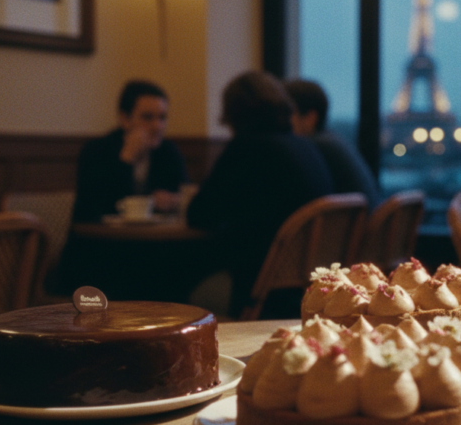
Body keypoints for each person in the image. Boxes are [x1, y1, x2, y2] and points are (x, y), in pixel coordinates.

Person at [187, 71, 334, 317]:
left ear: (232, 113)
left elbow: (199, 215)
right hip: (305, 290)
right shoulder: (305, 147)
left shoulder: (245, 149)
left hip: (259, 293)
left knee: (175, 284)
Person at [71, 80, 188, 223]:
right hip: (101, 239)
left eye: (162, 117)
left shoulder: (168, 151)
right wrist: (126, 159)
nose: (157, 126)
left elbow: (184, 192)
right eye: (148, 117)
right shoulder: (96, 151)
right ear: (125, 119)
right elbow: (91, 209)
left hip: (150, 239)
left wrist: (175, 201)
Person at [285, 79, 381, 208]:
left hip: (356, 227)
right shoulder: (332, 142)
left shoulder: (314, 148)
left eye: (288, 114)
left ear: (310, 118)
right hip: (363, 225)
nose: (284, 122)